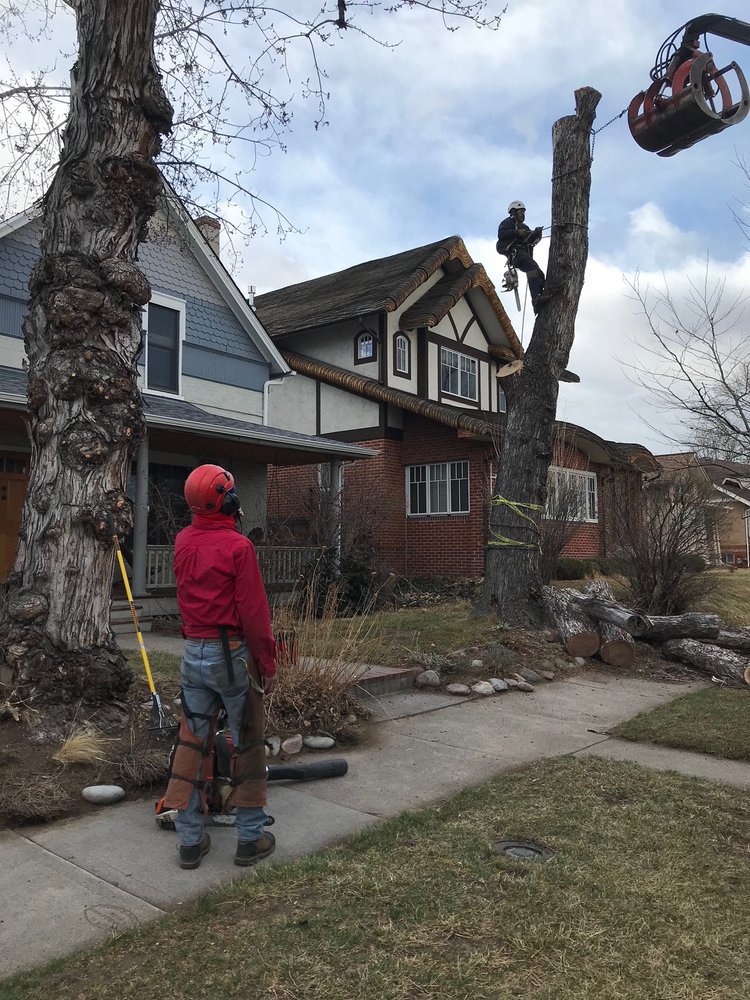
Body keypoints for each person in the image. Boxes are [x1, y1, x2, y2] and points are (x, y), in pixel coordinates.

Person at [160, 463, 277, 870]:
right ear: (228, 500)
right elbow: (254, 613)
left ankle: (190, 840)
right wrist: (267, 659)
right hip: (232, 654)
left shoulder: (182, 541)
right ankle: (250, 838)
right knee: (247, 742)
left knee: (192, 744)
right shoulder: (237, 548)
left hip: (194, 651)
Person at [496, 200, 550, 312]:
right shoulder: (506, 223)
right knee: (532, 267)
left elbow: (531, 240)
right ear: (513, 212)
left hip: (524, 254)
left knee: (539, 274)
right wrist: (517, 233)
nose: (523, 214)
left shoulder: (524, 226)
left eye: (523, 212)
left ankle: (539, 298)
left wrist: (536, 234)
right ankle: (536, 299)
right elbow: (502, 234)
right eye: (520, 211)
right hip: (516, 254)